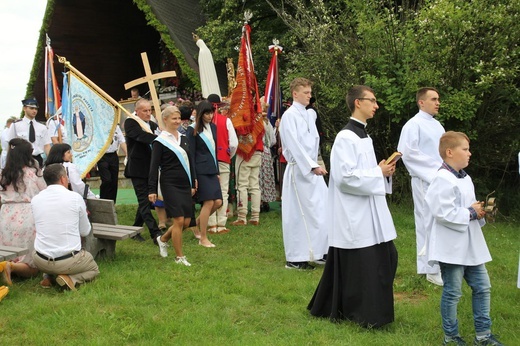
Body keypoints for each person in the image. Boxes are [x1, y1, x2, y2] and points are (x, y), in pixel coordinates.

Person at [308, 85, 398, 328]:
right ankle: (365, 315)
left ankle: (367, 311)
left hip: (369, 210)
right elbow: (344, 177)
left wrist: (382, 170)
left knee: (389, 257)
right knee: (370, 264)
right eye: (373, 100)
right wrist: (377, 172)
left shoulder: (364, 135)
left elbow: (362, 172)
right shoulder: (345, 137)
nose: (376, 106)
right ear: (358, 102)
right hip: (354, 213)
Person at [424, 131, 504, 346]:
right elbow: (443, 213)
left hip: (471, 245)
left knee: (483, 287)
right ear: (450, 152)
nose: (470, 153)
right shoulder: (442, 179)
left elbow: (466, 207)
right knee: (453, 292)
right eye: (465, 149)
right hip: (451, 246)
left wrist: (480, 211)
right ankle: (451, 338)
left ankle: (483, 335)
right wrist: (471, 212)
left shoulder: (465, 177)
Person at [278, 77, 328, 270]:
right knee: (299, 213)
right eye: (305, 92)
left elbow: (312, 141)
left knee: (320, 209)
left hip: (312, 168)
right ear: (295, 94)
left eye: (310, 92)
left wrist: (315, 163)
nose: (309, 96)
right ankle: (296, 257)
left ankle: (319, 250)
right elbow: (293, 144)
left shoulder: (309, 115)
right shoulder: (290, 116)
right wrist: (310, 165)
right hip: (299, 169)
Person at [397, 87, 445, 286]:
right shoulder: (413, 125)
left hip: (441, 179)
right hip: (424, 180)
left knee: (440, 220)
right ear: (421, 102)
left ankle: (440, 263)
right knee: (426, 221)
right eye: (433, 99)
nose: (437, 103)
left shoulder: (438, 126)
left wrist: (445, 171)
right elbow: (408, 153)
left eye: (438, 99)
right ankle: (429, 268)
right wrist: (435, 170)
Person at [31, 163, 99, 290]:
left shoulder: (36, 199)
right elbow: (85, 231)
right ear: (63, 179)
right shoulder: (75, 198)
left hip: (40, 260)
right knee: (93, 268)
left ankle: (48, 277)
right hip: (67, 260)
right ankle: (70, 279)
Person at [149, 106, 195, 265]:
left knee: (187, 222)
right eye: (174, 118)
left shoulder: (184, 138)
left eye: (179, 118)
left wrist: (193, 180)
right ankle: (179, 257)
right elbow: (153, 167)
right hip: (169, 183)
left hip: (185, 183)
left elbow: (191, 162)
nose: (177, 121)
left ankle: (163, 239)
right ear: (165, 120)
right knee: (179, 220)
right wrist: (152, 189)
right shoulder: (159, 142)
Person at [0, 138, 47, 286]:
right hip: (28, 215)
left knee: (8, 249)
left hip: (6, 216)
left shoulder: (3, 174)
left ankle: (6, 265)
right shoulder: (33, 173)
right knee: (33, 264)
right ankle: (12, 267)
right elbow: (45, 192)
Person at [124, 98, 162, 244]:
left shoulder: (152, 124)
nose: (148, 113)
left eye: (149, 110)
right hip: (137, 168)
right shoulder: (131, 122)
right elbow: (140, 136)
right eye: (145, 111)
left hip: (150, 168)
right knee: (144, 200)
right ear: (137, 111)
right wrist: (159, 138)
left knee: (146, 201)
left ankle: (135, 229)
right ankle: (155, 233)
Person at [186, 100, 222, 248]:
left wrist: (218, 171)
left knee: (218, 202)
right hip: (200, 171)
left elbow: (214, 151)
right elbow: (191, 154)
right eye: (207, 113)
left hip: (212, 170)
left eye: (211, 112)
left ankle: (196, 224)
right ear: (200, 114)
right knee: (208, 202)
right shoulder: (192, 129)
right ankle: (204, 238)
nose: (210, 115)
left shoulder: (213, 127)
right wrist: (193, 177)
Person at [207, 94, 238, 233]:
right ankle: (221, 224)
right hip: (223, 158)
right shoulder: (226, 121)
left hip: (207, 161)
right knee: (223, 191)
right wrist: (227, 155)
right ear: (219, 106)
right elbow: (234, 143)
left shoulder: (202, 122)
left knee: (210, 192)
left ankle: (212, 224)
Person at [8, 98, 51, 167]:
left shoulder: (42, 127)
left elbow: (47, 146)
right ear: (24, 108)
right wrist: (9, 162)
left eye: (36, 109)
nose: (34, 111)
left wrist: (51, 161)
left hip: (37, 159)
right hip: (20, 159)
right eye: (31, 108)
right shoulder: (16, 125)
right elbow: (11, 145)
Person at [97, 124, 127, 202]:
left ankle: (112, 203)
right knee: (107, 180)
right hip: (102, 156)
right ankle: (103, 201)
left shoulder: (116, 127)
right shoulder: (98, 126)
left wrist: (128, 155)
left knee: (114, 181)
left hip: (113, 155)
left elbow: (122, 141)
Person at [259, 102, 277, 213]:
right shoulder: (268, 123)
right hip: (266, 151)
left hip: (258, 150)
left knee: (259, 176)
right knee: (267, 175)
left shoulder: (257, 123)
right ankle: (266, 202)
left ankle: (259, 202)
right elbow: (273, 140)